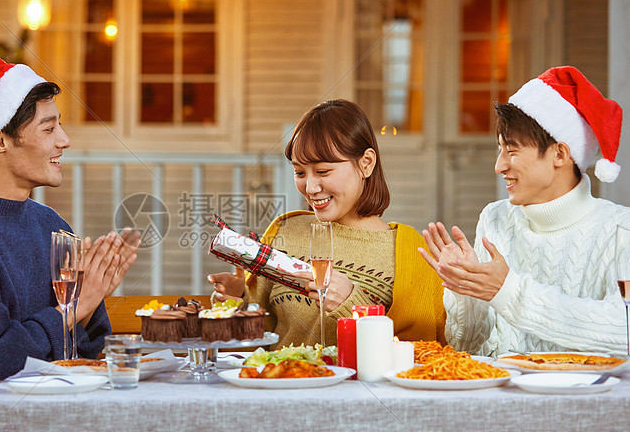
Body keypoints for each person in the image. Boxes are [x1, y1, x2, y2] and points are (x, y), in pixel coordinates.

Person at [0, 55, 137, 432]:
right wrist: (70, 312)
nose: (64, 140)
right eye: (48, 128)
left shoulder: (52, 225)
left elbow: (89, 350)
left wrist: (82, 309)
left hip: (63, 423)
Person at [420, 66, 630, 357]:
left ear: (559, 154)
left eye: (513, 151)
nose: (499, 166)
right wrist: (466, 288)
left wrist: (509, 292)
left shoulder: (620, 230)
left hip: (579, 399)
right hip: (502, 398)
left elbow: (624, 332)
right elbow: (467, 348)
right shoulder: (495, 219)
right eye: (499, 149)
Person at [208, 99, 446, 349]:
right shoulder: (286, 231)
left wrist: (352, 305)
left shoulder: (412, 252)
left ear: (366, 163)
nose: (310, 188)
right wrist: (238, 300)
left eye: (323, 172)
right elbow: (257, 339)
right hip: (282, 383)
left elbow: (421, 353)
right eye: (300, 173)